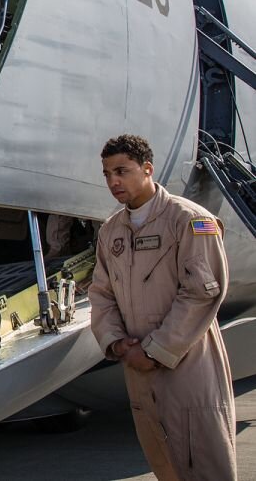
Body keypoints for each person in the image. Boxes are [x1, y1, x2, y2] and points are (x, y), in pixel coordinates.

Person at [89, 134, 236, 480]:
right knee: (164, 463)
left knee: (204, 461)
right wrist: (116, 342)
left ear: (148, 169)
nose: (113, 182)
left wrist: (155, 350)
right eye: (107, 174)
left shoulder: (190, 220)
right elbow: (101, 294)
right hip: (137, 368)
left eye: (122, 171)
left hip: (187, 363)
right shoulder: (111, 232)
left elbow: (202, 292)